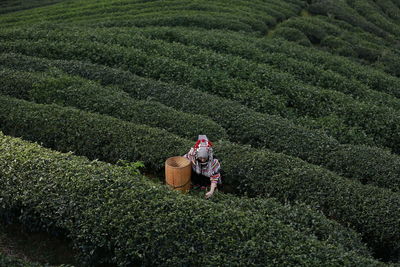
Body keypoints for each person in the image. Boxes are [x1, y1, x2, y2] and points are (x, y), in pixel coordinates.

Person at [183, 135, 222, 199]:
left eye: (205, 158)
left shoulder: (213, 163)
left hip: (207, 179)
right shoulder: (192, 157)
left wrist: (211, 191)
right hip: (197, 176)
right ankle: (196, 184)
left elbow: (214, 178)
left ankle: (206, 187)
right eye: (200, 158)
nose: (203, 160)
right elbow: (182, 161)